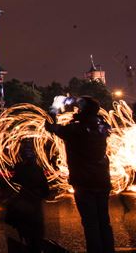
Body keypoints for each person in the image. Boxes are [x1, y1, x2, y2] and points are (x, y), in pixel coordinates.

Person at [45, 96, 115, 253]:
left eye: (79, 108)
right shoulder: (102, 128)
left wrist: (54, 108)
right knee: (104, 221)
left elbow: (50, 126)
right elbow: (105, 124)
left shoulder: (74, 130)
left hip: (83, 182)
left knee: (90, 223)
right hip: (102, 180)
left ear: (83, 111)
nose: (76, 109)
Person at [5, 140, 49, 253]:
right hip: (34, 208)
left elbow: (12, 183)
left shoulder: (19, 168)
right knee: (36, 237)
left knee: (26, 236)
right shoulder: (37, 169)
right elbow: (46, 191)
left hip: (23, 208)